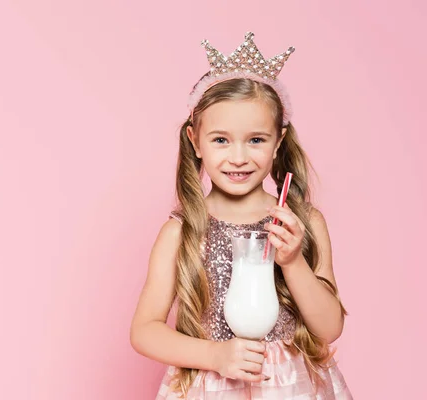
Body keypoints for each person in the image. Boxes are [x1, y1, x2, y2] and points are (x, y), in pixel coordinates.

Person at [129, 32, 353, 399]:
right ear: (195, 140)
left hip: (290, 387)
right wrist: (214, 355)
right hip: (211, 386)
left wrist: (293, 262)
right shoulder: (182, 232)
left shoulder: (303, 224)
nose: (238, 157)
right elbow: (144, 330)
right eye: (221, 140)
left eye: (256, 140)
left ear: (278, 142)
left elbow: (329, 328)